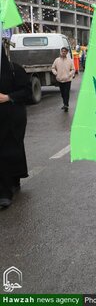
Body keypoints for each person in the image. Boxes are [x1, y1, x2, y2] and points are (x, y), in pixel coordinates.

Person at [0, 40, 31, 209]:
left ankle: (6, 192)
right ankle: (8, 183)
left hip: (13, 119)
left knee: (9, 150)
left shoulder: (14, 69)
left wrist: (8, 97)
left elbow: (26, 91)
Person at [51, 47, 75, 112]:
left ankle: (66, 105)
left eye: (65, 51)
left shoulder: (70, 60)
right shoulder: (57, 60)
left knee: (66, 93)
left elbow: (73, 69)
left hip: (67, 80)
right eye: (62, 51)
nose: (63, 52)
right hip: (60, 79)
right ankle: (65, 103)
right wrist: (56, 73)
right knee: (62, 93)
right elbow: (53, 68)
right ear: (61, 52)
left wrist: (69, 75)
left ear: (67, 52)